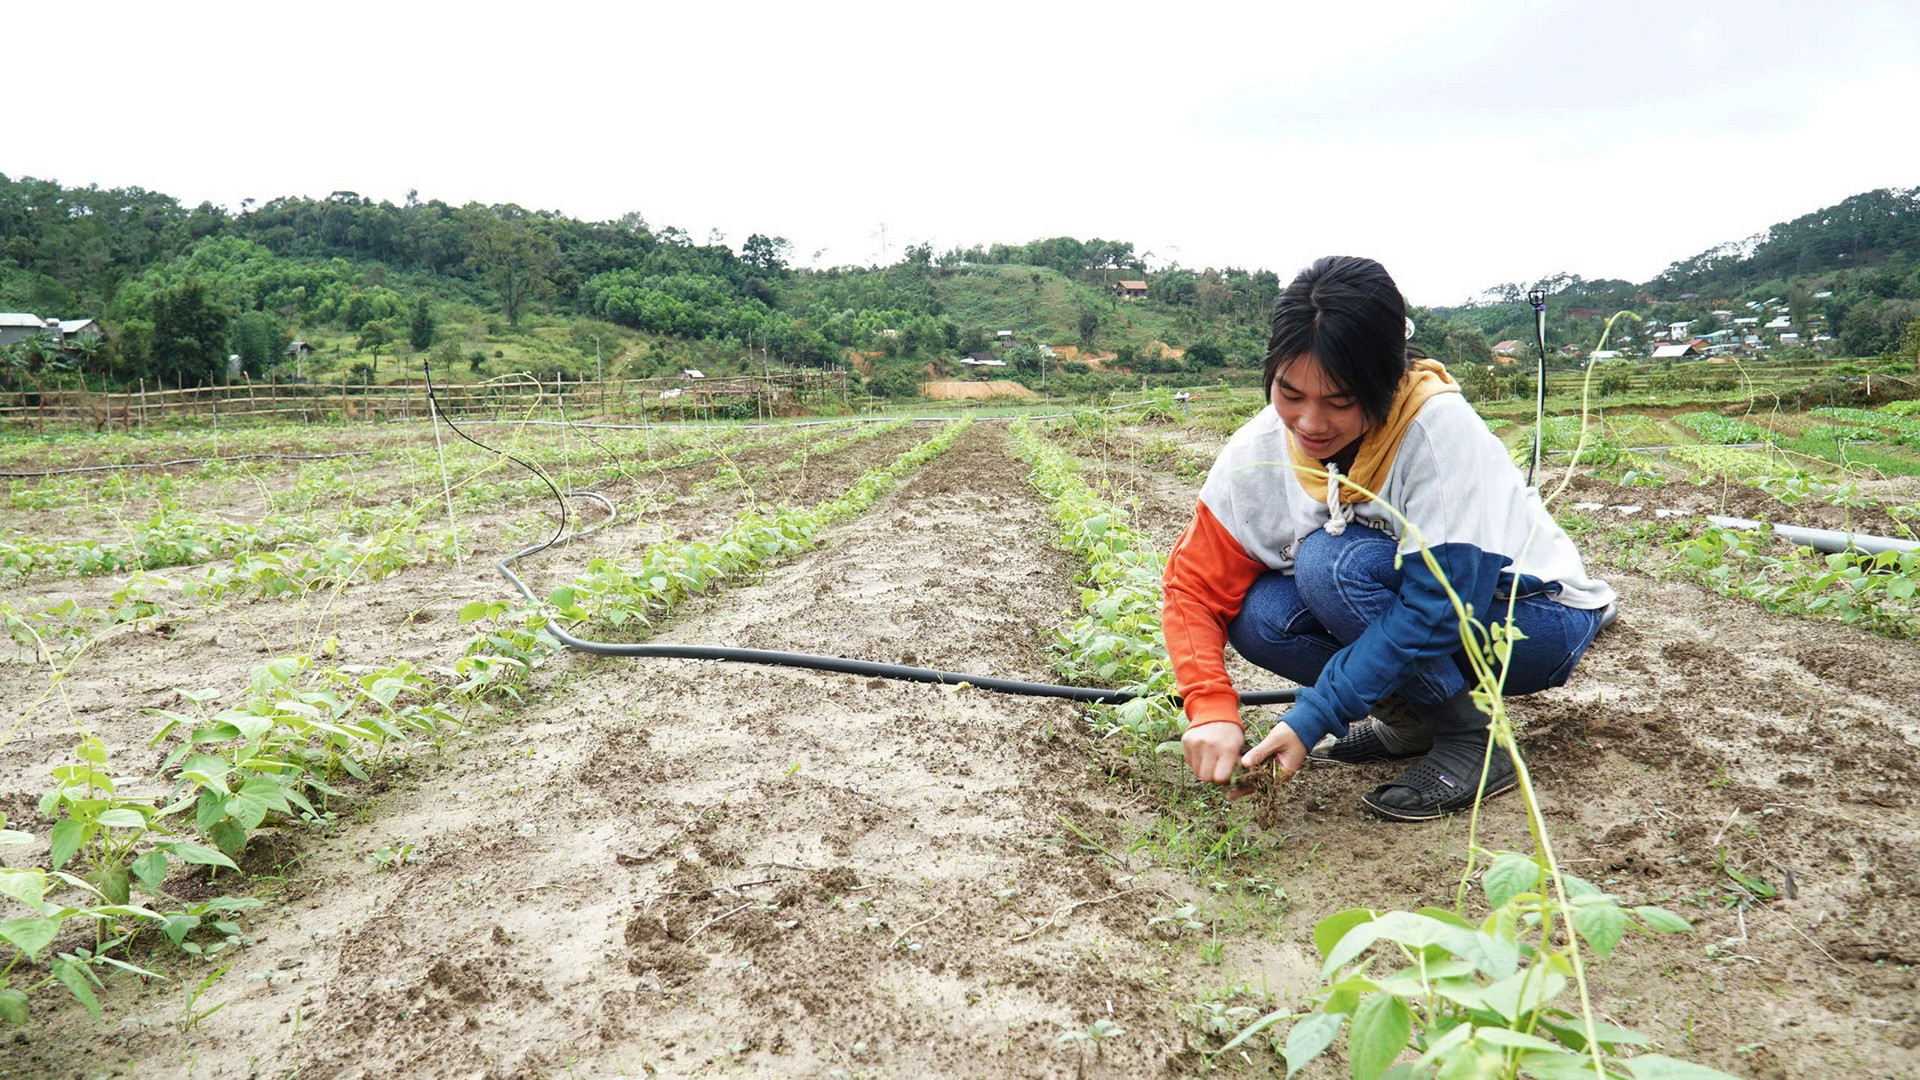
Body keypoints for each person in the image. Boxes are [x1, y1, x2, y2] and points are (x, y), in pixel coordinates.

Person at [1162, 255, 1615, 821]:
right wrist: (1210, 707)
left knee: (1332, 565)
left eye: (1340, 401)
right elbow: (1193, 588)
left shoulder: (1436, 429)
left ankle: (1477, 741)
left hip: (1530, 622)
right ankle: (1413, 725)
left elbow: (1441, 608)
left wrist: (1315, 714)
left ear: (1385, 383)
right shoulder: (1257, 451)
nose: (1309, 423)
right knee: (1258, 616)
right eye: (1290, 393)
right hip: (1447, 624)